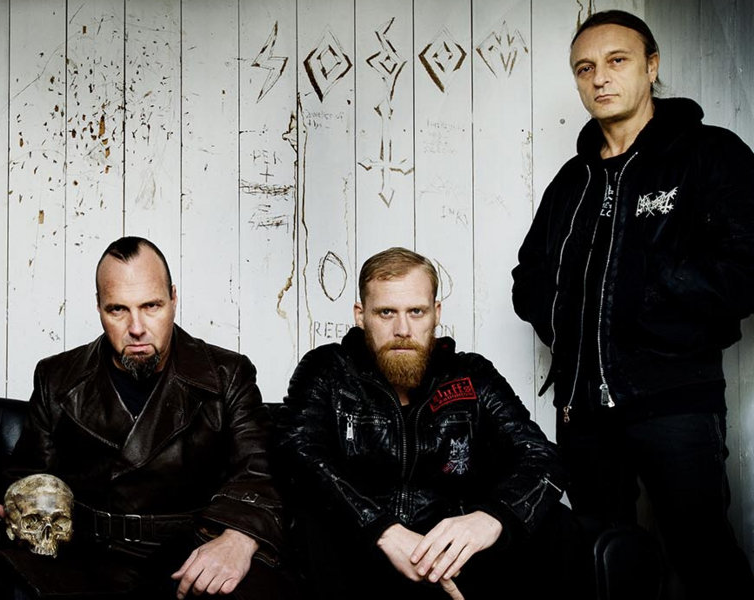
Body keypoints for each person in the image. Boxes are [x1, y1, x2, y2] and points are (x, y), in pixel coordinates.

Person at [512, 10, 754, 597]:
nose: (599, 78)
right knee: (602, 560)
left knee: (702, 555)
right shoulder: (572, 181)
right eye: (584, 68)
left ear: (651, 66)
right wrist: (569, 328)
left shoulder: (709, 154)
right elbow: (530, 279)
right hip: (583, 413)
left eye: (616, 61)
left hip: (673, 399)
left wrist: (650, 298)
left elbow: (746, 268)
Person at [0, 236, 290, 599]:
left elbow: (259, 471)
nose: (136, 327)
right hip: (85, 558)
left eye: (151, 306)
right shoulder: (56, 378)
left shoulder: (227, 375)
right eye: (118, 309)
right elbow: (29, 474)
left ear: (173, 299)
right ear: (99, 307)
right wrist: (20, 504)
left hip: (189, 554)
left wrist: (239, 537)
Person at [278, 247, 582, 600]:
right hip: (361, 552)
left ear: (436, 313)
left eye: (416, 312)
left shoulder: (471, 375)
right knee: (311, 522)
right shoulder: (329, 370)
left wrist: (492, 518)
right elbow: (296, 451)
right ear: (361, 315)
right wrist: (382, 529)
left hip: (455, 552)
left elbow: (541, 456)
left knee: (558, 524)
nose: (402, 329)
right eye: (386, 312)